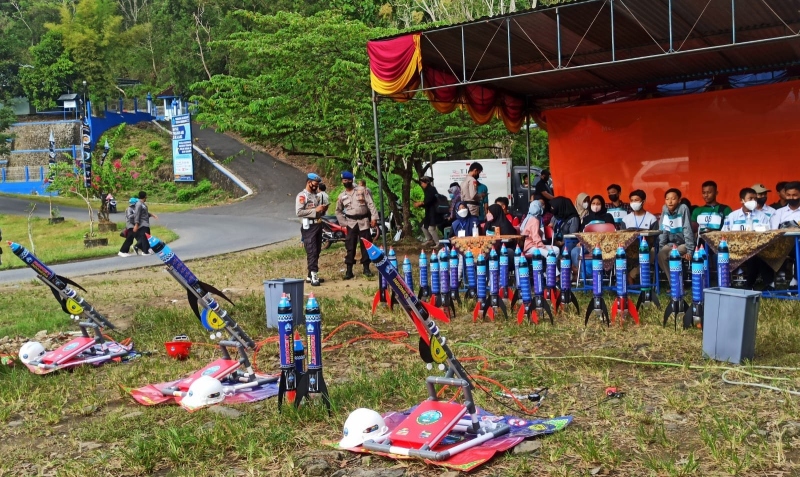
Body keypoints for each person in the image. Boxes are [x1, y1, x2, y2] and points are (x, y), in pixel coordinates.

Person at [723, 187, 774, 290]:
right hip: (736, 248)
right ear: (742, 200)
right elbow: (724, 233)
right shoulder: (732, 216)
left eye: (755, 199)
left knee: (756, 254)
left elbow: (767, 234)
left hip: (756, 247)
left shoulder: (762, 216)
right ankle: (731, 283)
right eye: (750, 198)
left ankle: (756, 284)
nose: (753, 201)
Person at [335, 171, 379, 280]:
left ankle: (366, 268)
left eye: (347, 180)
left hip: (364, 221)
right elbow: (338, 211)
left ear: (351, 180)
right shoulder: (342, 196)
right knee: (350, 246)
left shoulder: (362, 190)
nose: (346, 182)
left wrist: (374, 217)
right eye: (344, 180)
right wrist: (344, 223)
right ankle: (349, 270)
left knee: (366, 245)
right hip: (351, 223)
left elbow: (371, 204)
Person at [658, 188, 695, 292]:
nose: (670, 202)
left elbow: (687, 229)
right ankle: (675, 284)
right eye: (667, 199)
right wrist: (662, 247)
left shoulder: (683, 208)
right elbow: (663, 229)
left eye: (673, 199)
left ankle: (679, 284)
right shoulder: (665, 209)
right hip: (671, 244)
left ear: (679, 200)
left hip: (684, 243)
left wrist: (690, 251)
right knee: (661, 255)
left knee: (672, 254)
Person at [297, 173, 328, 286]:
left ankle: (310, 275)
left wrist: (323, 209)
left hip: (318, 225)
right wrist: (315, 210)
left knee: (317, 250)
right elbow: (299, 212)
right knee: (312, 251)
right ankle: (314, 276)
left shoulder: (316, 196)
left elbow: (318, 211)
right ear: (308, 182)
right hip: (308, 227)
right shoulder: (302, 196)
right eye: (315, 184)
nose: (316, 186)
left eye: (317, 184)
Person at [771, 181, 800, 289]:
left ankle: (795, 281)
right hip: (781, 246)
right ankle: (769, 284)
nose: (791, 198)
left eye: (794, 195)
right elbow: (774, 231)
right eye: (788, 195)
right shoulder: (779, 212)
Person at [413, 176, 443, 247]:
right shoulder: (427, 190)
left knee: (431, 228)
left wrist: (421, 203)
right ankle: (430, 240)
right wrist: (420, 204)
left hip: (434, 212)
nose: (421, 185)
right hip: (429, 212)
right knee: (423, 226)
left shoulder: (432, 189)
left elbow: (430, 201)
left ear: (426, 183)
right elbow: (427, 203)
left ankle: (438, 243)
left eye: (422, 183)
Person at [133, 191, 158, 255]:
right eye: (146, 196)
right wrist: (136, 224)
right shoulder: (138, 204)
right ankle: (144, 251)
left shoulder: (142, 204)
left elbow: (145, 213)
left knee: (147, 237)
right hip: (142, 224)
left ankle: (146, 250)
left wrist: (152, 215)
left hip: (146, 223)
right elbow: (137, 214)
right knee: (144, 237)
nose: (147, 197)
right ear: (145, 196)